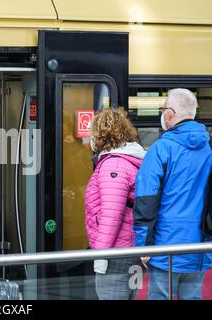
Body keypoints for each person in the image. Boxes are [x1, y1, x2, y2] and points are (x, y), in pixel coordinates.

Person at [133, 88, 212, 300]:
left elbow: (145, 201)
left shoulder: (161, 149)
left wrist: (143, 246)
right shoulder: (209, 148)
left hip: (164, 247)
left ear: (170, 112)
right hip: (199, 247)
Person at [84, 107, 146, 300]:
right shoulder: (129, 160)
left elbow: (111, 216)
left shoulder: (114, 165)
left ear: (102, 134)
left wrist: (100, 258)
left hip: (117, 252)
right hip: (129, 247)